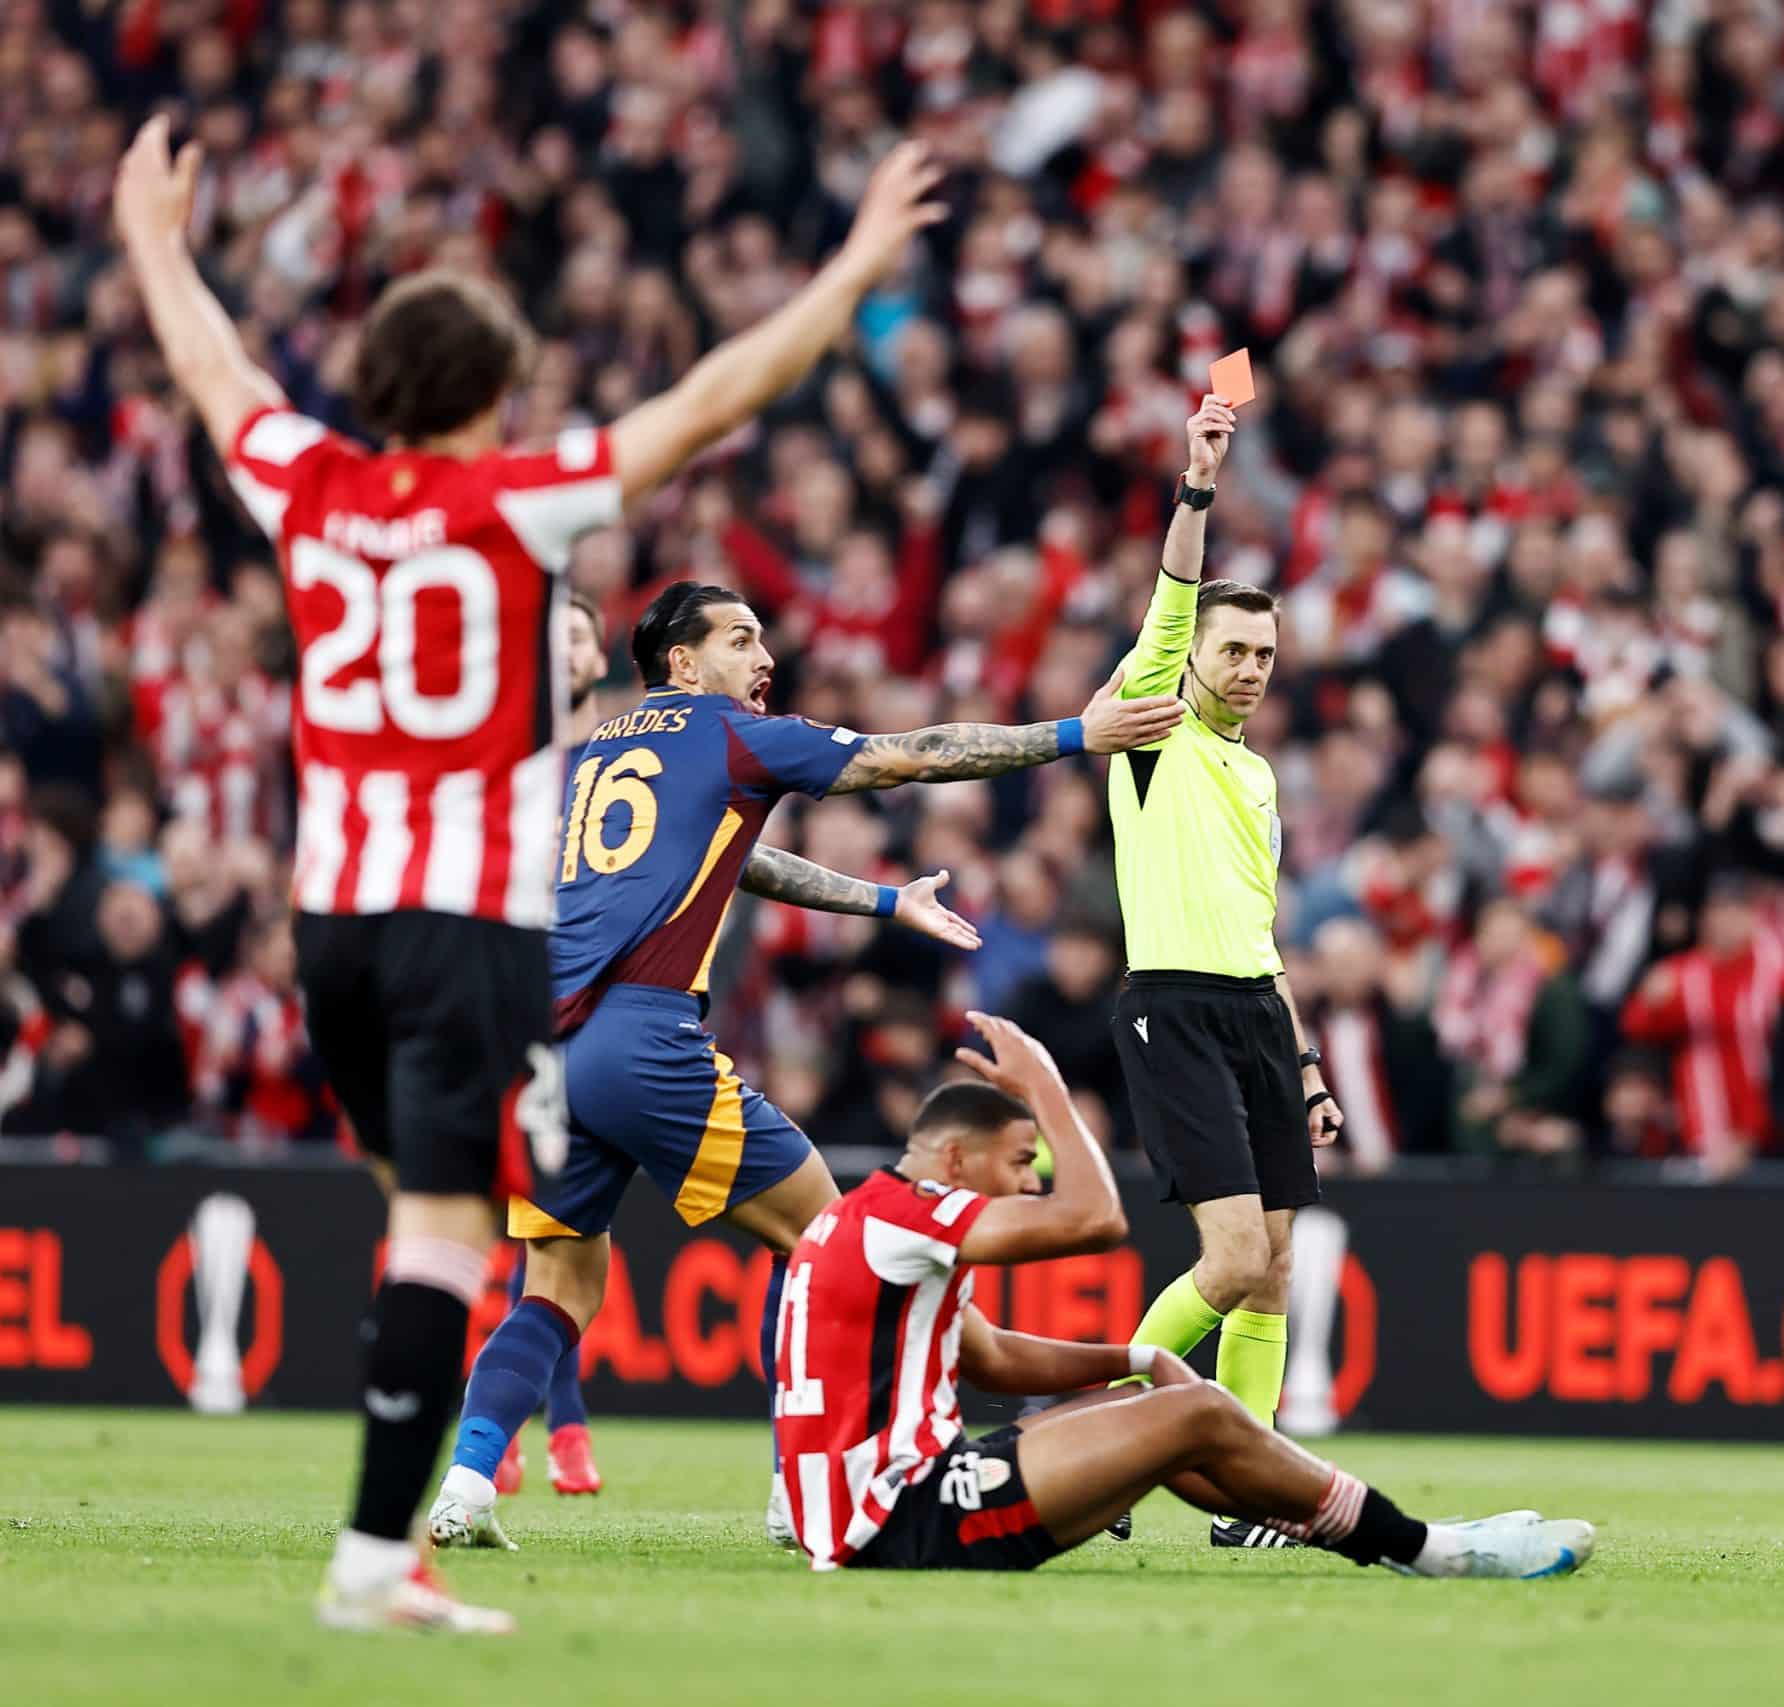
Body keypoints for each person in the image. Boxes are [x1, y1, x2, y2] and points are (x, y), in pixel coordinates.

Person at [113, 111, 949, 1632]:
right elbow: (709, 398)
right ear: (494, 396)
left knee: (446, 1229)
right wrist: (852, 271)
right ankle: (377, 1556)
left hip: (328, 924)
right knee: (443, 1235)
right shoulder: (513, 500)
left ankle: (436, 1510)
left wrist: (156, 242)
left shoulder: (304, 485)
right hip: (465, 931)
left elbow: (217, 373)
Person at [429, 580, 1180, 1555]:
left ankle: (465, 1486)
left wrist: (879, 902)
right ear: (684, 664)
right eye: (741, 639)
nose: (764, 658)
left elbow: (745, 860)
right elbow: (912, 754)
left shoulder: (593, 754)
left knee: (559, 1288)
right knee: (827, 1248)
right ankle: (799, 1485)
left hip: (549, 1052)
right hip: (644, 1035)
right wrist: (1076, 736)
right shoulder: (734, 733)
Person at [776, 1010, 1594, 1582]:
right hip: (896, 1518)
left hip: (886, 1500)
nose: (1031, 1180)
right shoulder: (905, 1218)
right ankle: (1434, 1548)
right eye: (1019, 1161)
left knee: (1176, 1423)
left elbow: (988, 1354)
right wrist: (1050, 1091)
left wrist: (1139, 1357)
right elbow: (1097, 1218)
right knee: (1195, 1414)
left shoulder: (863, 1225)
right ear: (953, 1162)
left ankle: (1383, 1534)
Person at [1101, 395, 1348, 1548]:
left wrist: (1303, 1065)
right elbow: (1167, 598)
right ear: (1190, 656)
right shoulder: (1154, 730)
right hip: (1173, 1008)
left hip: (1251, 1011)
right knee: (1236, 1252)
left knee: (1277, 1263)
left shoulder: (1253, 779)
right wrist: (1198, 484)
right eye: (1231, 649)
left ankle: (1246, 1497)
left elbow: (1262, 936)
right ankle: (1099, 1434)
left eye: (1262, 654)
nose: (1249, 669)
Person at [488, 590, 613, 1502]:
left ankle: (543, 1425)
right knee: (537, 1225)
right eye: (551, 638)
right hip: (526, 1005)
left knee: (560, 1231)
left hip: (616, 1006)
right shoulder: (514, 762)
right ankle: (549, 1425)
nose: (565, 651)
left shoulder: (623, 754)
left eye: (577, 634)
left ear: (601, 654)